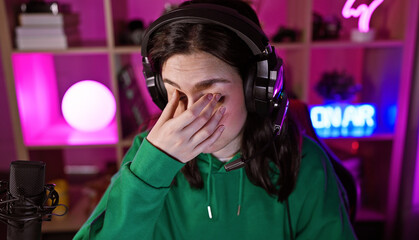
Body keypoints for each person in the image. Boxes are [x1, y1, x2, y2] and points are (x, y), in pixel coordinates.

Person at [74, 0, 357, 239]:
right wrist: (151, 173)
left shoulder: (305, 163)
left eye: (213, 96)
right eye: (176, 93)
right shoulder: (147, 155)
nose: (191, 116)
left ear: (256, 91)